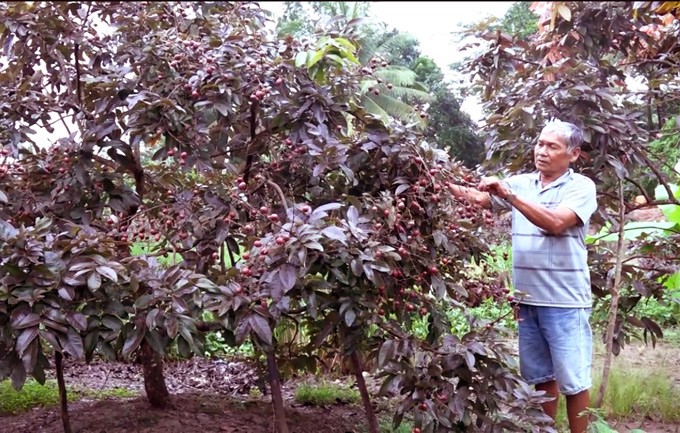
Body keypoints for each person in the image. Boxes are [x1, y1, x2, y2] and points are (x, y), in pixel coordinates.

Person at [452, 119, 598, 433]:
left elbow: (556, 223)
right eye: (540, 144)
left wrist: (511, 197)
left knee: (574, 381)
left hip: (565, 302)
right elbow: (480, 199)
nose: (542, 151)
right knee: (540, 379)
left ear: (572, 155)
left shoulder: (581, 187)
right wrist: (435, 179)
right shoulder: (521, 183)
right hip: (527, 300)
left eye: (552, 147)